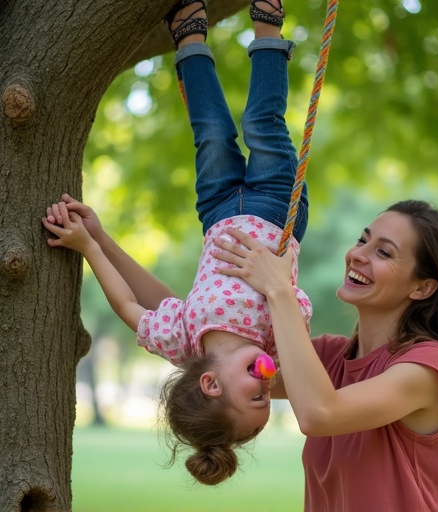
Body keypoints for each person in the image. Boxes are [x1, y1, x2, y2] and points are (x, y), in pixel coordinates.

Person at [42, 0, 312, 486]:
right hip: (277, 211)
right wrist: (281, 296)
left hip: (216, 212)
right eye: (265, 400)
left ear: (210, 383)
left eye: (256, 396)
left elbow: (127, 303)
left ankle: (189, 34)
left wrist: (92, 244)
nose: (268, 383)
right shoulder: (275, 339)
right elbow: (297, 308)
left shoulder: (183, 340)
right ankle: (268, 25)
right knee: (263, 126)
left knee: (210, 135)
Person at [212, 199, 438, 510]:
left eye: (383, 252)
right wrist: (148, 307)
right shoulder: (329, 358)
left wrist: (279, 290)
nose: (357, 254)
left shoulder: (429, 366)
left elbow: (319, 414)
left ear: (423, 288)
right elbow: (217, 356)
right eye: (363, 240)